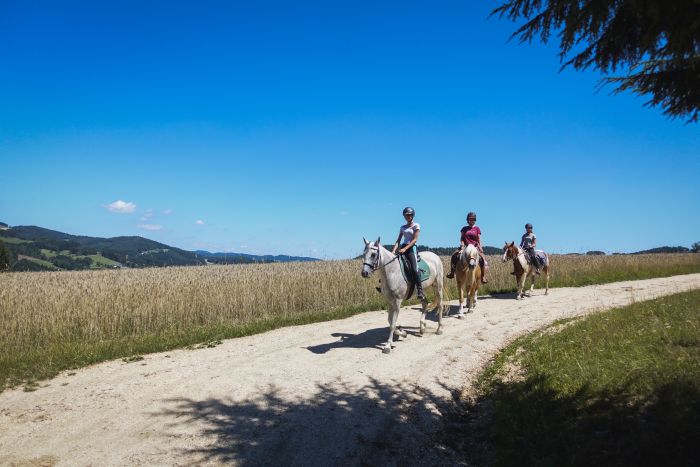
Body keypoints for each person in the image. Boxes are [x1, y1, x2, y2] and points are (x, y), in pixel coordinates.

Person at [391, 207, 426, 300]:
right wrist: (393, 251)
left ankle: (420, 290)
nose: (408, 216)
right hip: (403, 247)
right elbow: (398, 240)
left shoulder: (416, 225)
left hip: (411, 248)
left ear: (412, 215)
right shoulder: (402, 227)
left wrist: (405, 249)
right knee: (392, 265)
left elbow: (414, 240)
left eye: (410, 215)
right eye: (406, 215)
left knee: (414, 269)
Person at [446, 212, 488, 283]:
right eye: (470, 219)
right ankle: (452, 272)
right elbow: (462, 238)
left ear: (475, 220)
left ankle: (483, 276)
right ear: (468, 220)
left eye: (473, 219)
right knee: (454, 255)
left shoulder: (477, 229)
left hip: (475, 247)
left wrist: (480, 247)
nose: (471, 221)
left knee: (482, 259)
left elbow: (478, 239)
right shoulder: (464, 229)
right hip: (466, 246)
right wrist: (462, 244)